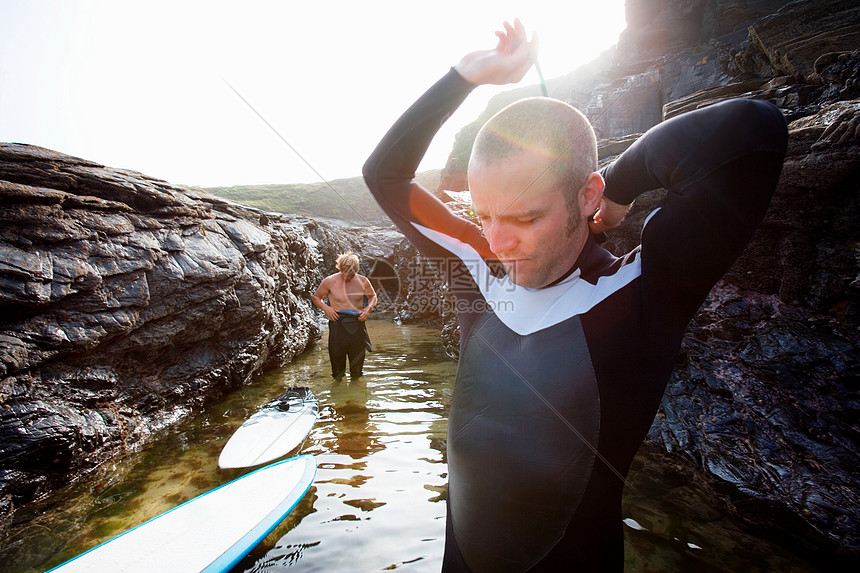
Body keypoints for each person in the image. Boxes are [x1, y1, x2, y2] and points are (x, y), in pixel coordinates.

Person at [362, 19, 788, 573]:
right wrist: (467, 75)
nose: (497, 239)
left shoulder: (643, 292)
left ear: (585, 195)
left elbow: (753, 131)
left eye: (524, 216)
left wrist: (620, 187)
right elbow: (385, 174)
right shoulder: (477, 268)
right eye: (484, 214)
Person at [313, 252, 377, 380]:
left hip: (357, 324)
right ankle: (338, 395)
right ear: (340, 269)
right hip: (338, 325)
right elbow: (316, 297)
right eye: (344, 273)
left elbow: (372, 296)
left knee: (357, 371)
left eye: (351, 274)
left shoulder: (363, 281)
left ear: (356, 270)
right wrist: (327, 308)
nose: (347, 276)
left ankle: (355, 396)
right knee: (337, 372)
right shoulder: (330, 281)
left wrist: (368, 310)